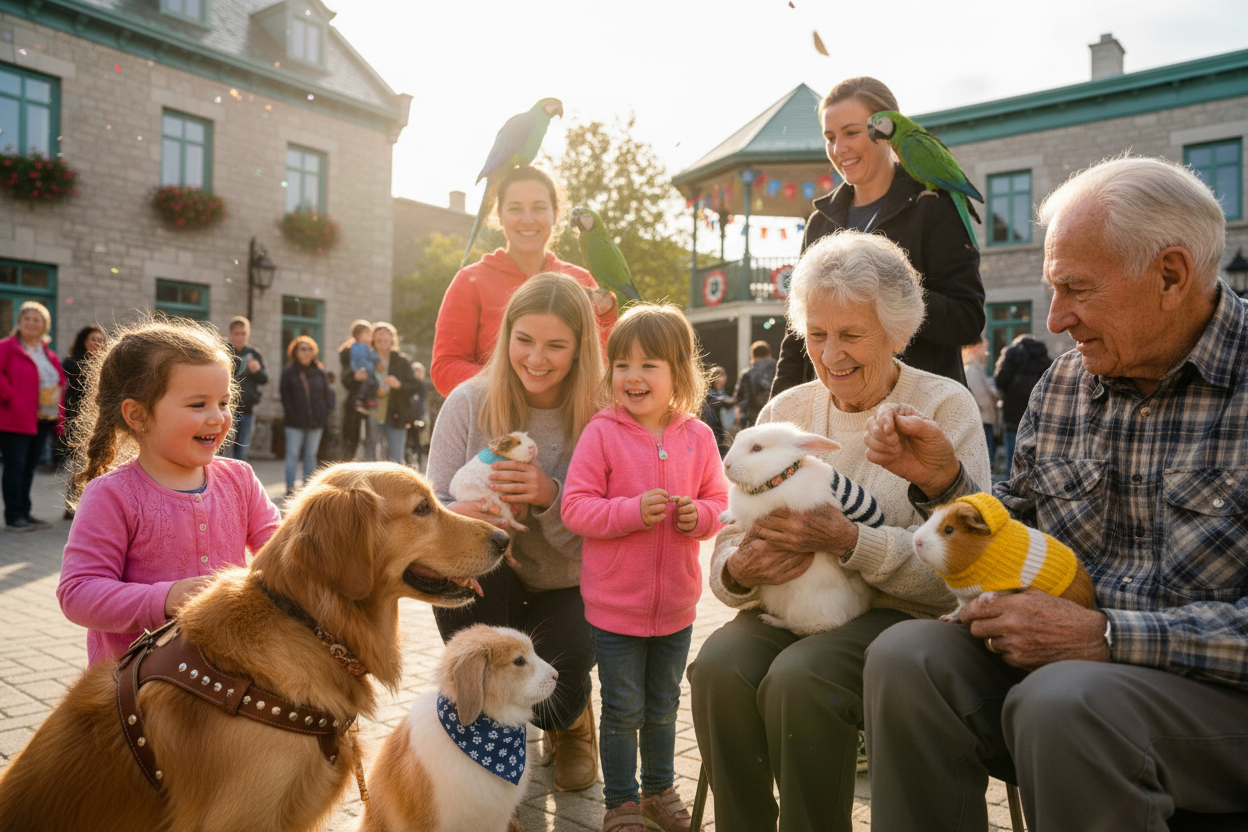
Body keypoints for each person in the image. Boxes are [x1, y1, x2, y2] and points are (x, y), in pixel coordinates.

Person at [860, 156, 1248, 831]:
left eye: (1076, 289)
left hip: (1214, 701)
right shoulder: (1065, 383)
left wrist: (1107, 636)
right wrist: (943, 484)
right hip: (1067, 681)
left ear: (1172, 274)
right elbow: (1018, 520)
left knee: (1067, 702)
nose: (1056, 318)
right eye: (1051, 288)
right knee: (906, 655)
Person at [687, 231, 991, 832]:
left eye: (852, 335)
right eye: (818, 334)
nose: (832, 355)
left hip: (904, 616)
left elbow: (968, 567)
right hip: (798, 605)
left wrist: (850, 541)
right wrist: (739, 569)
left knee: (800, 682)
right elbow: (728, 538)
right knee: (719, 666)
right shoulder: (786, 411)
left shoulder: (943, 406)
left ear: (899, 333)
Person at [428, 272, 605, 795]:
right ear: (506, 337)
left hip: (567, 581)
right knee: (464, 610)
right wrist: (461, 514)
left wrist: (551, 496)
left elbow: (606, 535)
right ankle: (493, 740)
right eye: (524, 340)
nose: (536, 358)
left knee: (558, 698)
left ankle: (572, 723)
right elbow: (431, 504)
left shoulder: (601, 415)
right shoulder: (467, 401)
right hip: (490, 575)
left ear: (580, 349)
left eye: (556, 345)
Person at [563, 305, 730, 832]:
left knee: (663, 705)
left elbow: (720, 506)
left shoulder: (697, 437)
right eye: (622, 365)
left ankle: (659, 791)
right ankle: (622, 803)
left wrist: (696, 515)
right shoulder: (602, 432)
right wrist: (631, 512)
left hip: (677, 606)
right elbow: (575, 507)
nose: (632, 377)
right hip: (615, 609)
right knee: (622, 708)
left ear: (678, 372)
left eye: (648, 365)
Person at [56, 320, 281, 665]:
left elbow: (281, 554)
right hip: (139, 691)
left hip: (229, 677)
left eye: (223, 402)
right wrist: (166, 598)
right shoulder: (112, 495)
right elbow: (78, 592)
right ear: (137, 414)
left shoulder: (240, 478)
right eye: (198, 405)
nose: (218, 418)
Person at [771, 77, 984, 397]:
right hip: (834, 425)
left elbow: (966, 321)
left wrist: (887, 291)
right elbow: (797, 335)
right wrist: (775, 421)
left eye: (852, 133)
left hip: (918, 414)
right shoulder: (819, 223)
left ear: (884, 131)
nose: (839, 149)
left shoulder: (933, 206)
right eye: (830, 137)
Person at [430, 164, 618, 398]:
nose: (527, 220)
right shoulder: (470, 281)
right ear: (499, 215)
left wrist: (607, 317)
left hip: (570, 429)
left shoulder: (582, 280)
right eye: (515, 209)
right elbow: (445, 368)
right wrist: (512, 386)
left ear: (556, 214)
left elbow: (602, 368)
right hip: (493, 425)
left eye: (538, 208)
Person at [0, 301, 67, 531]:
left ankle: (25, 513)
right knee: (15, 467)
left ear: (44, 326)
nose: (31, 322)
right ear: (19, 322)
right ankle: (14, 515)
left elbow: (59, 381)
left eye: (36, 319)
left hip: (42, 418)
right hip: (15, 418)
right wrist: (11, 397)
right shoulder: (7, 347)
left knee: (29, 468)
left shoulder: (47, 353)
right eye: (27, 318)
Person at [279, 335, 334, 494]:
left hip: (316, 422)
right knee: (292, 455)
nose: (306, 352)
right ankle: (290, 488)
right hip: (294, 423)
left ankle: (309, 488)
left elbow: (327, 394)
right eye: (303, 349)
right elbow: (285, 396)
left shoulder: (319, 372)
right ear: (295, 352)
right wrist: (292, 415)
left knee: (311, 456)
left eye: (310, 349)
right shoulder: (289, 372)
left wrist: (325, 411)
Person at [993, 332, 1052, 473]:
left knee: (1012, 460)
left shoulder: (1011, 355)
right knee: (1038, 461)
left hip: (1013, 417)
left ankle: (1012, 488)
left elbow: (1000, 381)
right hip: (1039, 418)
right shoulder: (1042, 358)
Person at [363, 322, 419, 464]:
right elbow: (354, 384)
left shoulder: (402, 360)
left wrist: (399, 385)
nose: (382, 341)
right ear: (373, 341)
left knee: (395, 458)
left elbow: (416, 386)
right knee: (370, 456)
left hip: (397, 415)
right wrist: (374, 391)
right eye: (378, 338)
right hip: (372, 413)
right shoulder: (366, 359)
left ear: (393, 340)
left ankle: (393, 485)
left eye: (386, 338)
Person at [223, 316, 268, 462]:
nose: (240, 337)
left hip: (247, 408)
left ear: (247, 334)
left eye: (243, 334)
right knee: (225, 450)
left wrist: (257, 371)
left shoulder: (254, 354)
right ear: (231, 334)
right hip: (226, 408)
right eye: (237, 334)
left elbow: (264, 379)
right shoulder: (224, 351)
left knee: (242, 452)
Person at [961, 335, 1000, 471]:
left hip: (985, 419)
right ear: (975, 348)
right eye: (984, 348)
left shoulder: (975, 369)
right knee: (985, 462)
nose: (986, 352)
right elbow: (982, 398)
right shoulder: (972, 370)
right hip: (983, 419)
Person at [337, 320, 372, 461]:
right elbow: (346, 379)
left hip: (374, 400)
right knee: (352, 438)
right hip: (356, 400)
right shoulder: (350, 352)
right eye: (367, 333)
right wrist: (355, 377)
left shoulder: (372, 351)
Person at [732, 340, 777, 429]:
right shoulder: (780, 370)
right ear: (769, 354)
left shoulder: (747, 374)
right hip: (776, 418)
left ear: (753, 356)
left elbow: (737, 398)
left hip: (752, 421)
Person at [347, 326, 385, 414]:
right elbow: (364, 357)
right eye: (367, 334)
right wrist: (377, 361)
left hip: (368, 369)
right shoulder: (360, 347)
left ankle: (369, 400)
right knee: (366, 384)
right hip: (364, 369)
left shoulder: (365, 347)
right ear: (359, 335)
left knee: (372, 384)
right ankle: (361, 399)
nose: (370, 336)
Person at [702, 364, 733, 457]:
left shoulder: (724, 393)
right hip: (715, 428)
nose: (721, 379)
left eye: (723, 376)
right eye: (718, 376)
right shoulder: (709, 394)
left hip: (725, 430)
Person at [406, 360, 428, 471]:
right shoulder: (409, 385)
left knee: (418, 441)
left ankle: (419, 464)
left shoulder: (422, 385)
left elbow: (422, 403)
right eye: (414, 370)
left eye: (419, 371)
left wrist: (422, 417)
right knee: (407, 441)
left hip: (418, 416)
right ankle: (407, 462)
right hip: (407, 417)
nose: (416, 373)